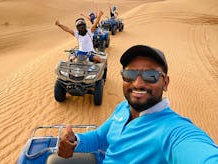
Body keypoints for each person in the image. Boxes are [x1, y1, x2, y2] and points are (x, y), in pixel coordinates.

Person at [57, 45, 218, 163]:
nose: (138, 83)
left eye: (151, 75)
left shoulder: (174, 131)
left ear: (166, 83)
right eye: (129, 74)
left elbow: (200, 154)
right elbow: (100, 138)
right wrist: (75, 142)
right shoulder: (123, 108)